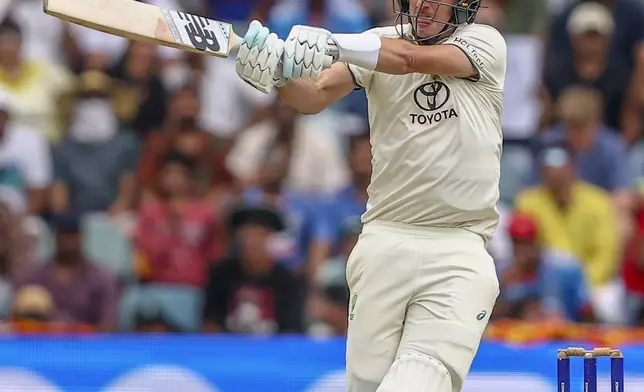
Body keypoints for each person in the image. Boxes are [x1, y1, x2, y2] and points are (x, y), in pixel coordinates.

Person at [234, 1, 506, 392]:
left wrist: (335, 43)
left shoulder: (484, 42)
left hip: (458, 247)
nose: (424, 3)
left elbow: (410, 58)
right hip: (384, 239)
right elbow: (313, 95)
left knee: (422, 376)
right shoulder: (375, 42)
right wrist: (275, 74)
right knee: (366, 385)